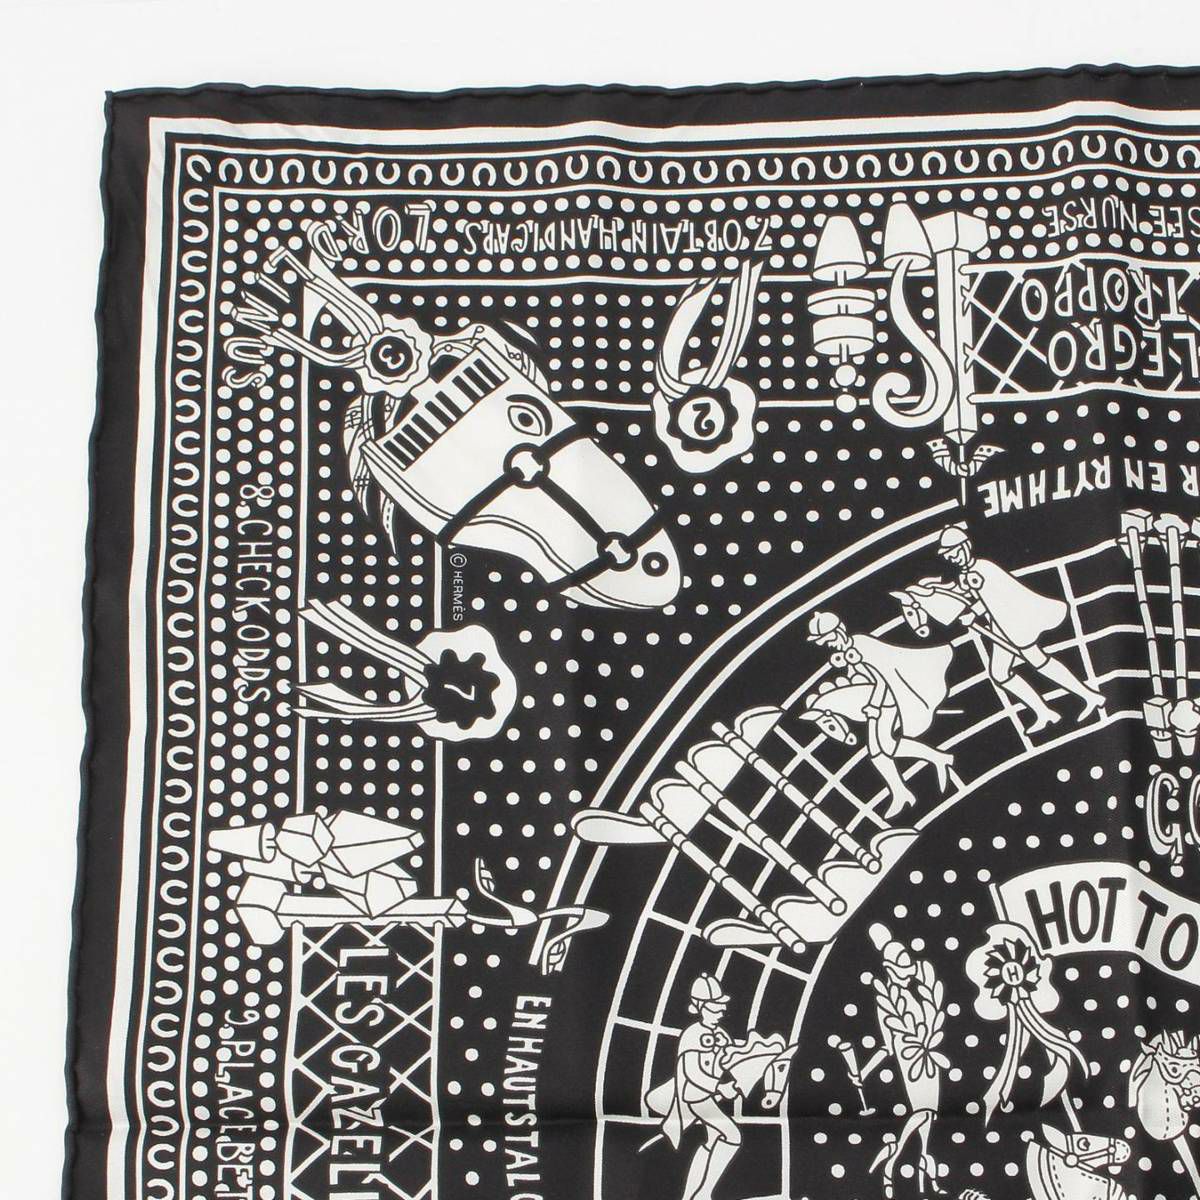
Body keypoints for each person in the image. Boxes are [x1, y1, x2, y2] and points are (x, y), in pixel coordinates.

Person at [936, 526, 1103, 732]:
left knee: (1036, 661)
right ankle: (1046, 711)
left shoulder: (983, 569)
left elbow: (995, 597)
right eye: (949, 556)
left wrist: (973, 614)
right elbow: (978, 597)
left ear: (966, 546)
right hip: (1001, 625)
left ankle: (1088, 697)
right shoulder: (966, 576)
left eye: (954, 553)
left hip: (1014, 624)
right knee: (1000, 673)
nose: (953, 559)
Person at [805, 611, 954, 817]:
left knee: (883, 748)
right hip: (879, 703)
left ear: (838, 632)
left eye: (828, 640)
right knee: (879, 752)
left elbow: (883, 679)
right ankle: (907, 786)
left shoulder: (859, 646)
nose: (828, 645)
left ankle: (930, 765)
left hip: (886, 702)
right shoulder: (850, 649)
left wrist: (874, 706)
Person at [847, 924, 948, 1197]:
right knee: (923, 1112)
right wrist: (864, 1072)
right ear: (889, 970)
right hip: (911, 1063)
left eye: (909, 966)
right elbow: (888, 1046)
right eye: (903, 968)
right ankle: (893, 1160)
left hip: (930, 1062)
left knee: (929, 1123)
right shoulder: (887, 1002)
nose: (910, 972)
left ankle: (925, 1183)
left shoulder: (917, 994)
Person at [654, 974, 743, 1200]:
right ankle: (703, 1193)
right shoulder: (692, 1034)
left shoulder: (722, 1035)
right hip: (696, 1097)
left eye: (721, 1007)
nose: (721, 1012)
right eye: (714, 1008)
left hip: (710, 1097)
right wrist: (719, 1087)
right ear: (699, 1007)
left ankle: (692, 1196)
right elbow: (691, 1072)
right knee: (733, 1136)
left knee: (712, 1142)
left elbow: (729, 1062)